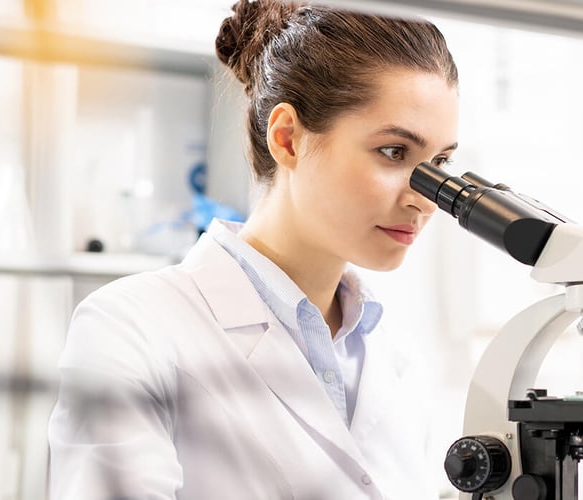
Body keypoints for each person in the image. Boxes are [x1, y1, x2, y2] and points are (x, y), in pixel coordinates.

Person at [46, 1, 459, 498]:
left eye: (439, 162)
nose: (425, 199)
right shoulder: (131, 329)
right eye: (394, 152)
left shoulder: (395, 353)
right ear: (288, 139)